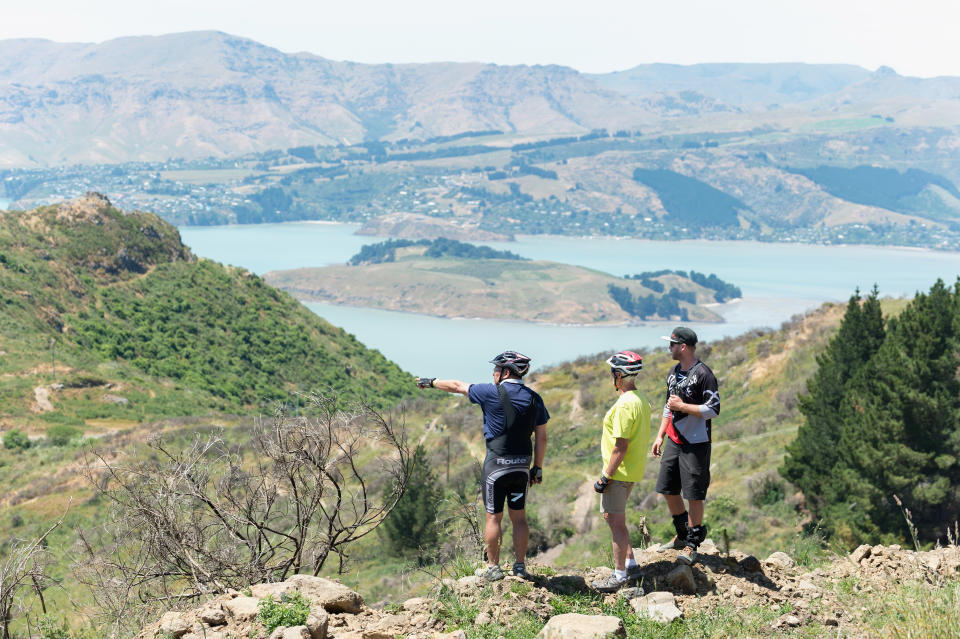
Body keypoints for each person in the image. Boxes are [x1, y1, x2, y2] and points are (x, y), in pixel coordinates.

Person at [416, 350, 549, 581]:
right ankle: (519, 567)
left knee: (493, 518)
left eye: (497, 369)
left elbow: (457, 386)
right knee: (519, 518)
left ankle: (493, 569)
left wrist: (431, 382)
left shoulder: (490, 392)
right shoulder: (535, 399)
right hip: (521, 467)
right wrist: (537, 468)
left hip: (496, 468)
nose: (493, 372)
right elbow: (542, 437)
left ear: (506, 372)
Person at [650, 326, 720, 565]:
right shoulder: (673, 372)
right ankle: (682, 534)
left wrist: (684, 407)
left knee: (694, 494)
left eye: (671, 344)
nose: (668, 348)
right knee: (667, 489)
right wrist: (660, 435)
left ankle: (692, 543)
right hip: (673, 439)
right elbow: (668, 406)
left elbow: (713, 409)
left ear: (683, 346)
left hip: (696, 443)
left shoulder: (704, 374)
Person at [591, 350, 652, 592]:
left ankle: (619, 576)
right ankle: (631, 563)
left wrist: (605, 476)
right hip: (632, 471)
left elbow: (621, 445)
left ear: (618, 375)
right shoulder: (641, 399)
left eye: (612, 372)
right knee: (618, 519)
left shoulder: (626, 404)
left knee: (614, 522)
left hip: (618, 473)